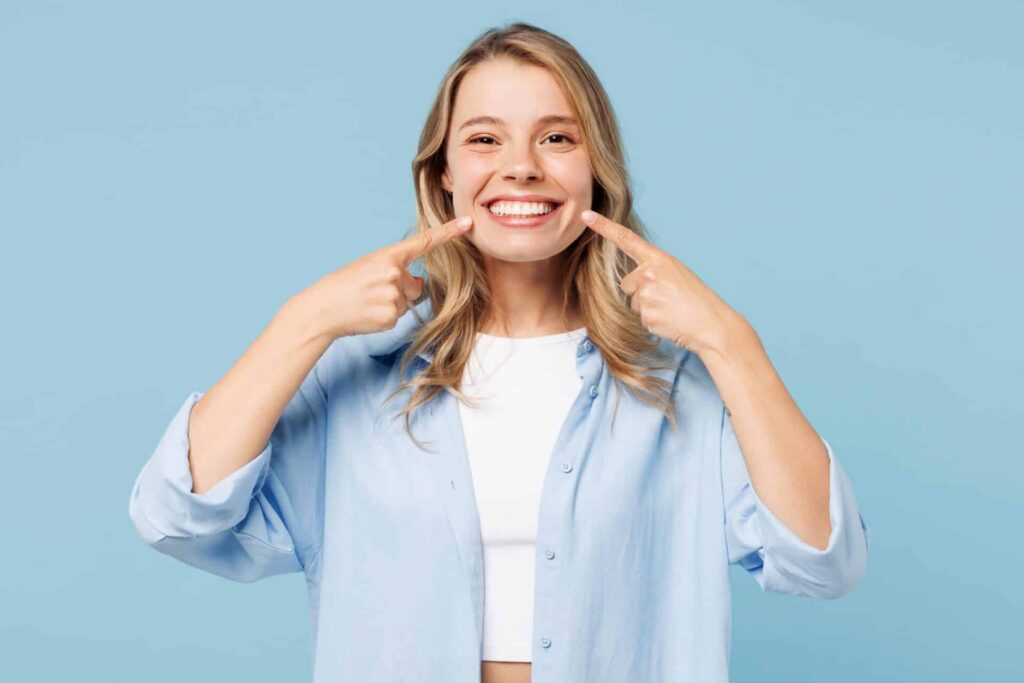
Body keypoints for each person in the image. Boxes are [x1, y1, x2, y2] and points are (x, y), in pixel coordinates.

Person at [128, 22, 870, 683]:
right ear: (443, 173)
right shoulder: (360, 385)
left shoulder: (680, 391)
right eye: (485, 138)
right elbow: (175, 516)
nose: (521, 167)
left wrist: (732, 342)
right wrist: (302, 322)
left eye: (557, 137)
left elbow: (822, 561)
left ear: (595, 171)